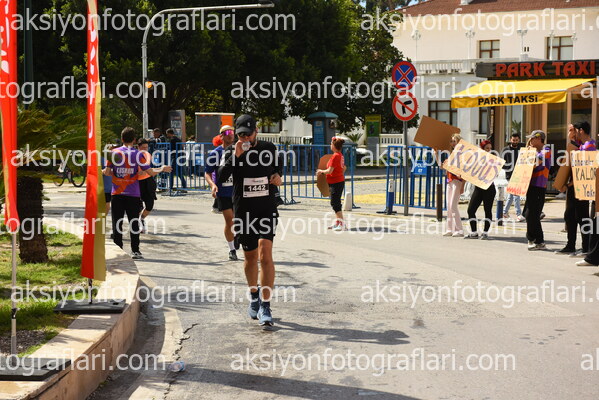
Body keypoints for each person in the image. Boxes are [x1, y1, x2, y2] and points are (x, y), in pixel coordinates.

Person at [218, 114, 282, 327]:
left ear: (256, 131)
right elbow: (221, 176)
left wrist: (278, 178)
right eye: (241, 135)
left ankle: (266, 304)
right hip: (244, 211)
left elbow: (277, 172)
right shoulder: (231, 151)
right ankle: (254, 295)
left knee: (265, 255)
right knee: (251, 257)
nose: (245, 138)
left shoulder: (269, 149)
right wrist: (235, 156)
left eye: (248, 134)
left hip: (266, 209)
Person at [104, 127, 171, 259]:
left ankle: (118, 250)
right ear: (134, 140)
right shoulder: (138, 154)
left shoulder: (113, 153)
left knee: (117, 222)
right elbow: (150, 172)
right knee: (134, 222)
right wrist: (162, 168)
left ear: (122, 139)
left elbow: (107, 172)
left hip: (117, 193)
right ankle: (135, 251)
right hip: (133, 194)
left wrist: (115, 173)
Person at [558, 122, 594, 256]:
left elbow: (584, 173)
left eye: (574, 130)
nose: (572, 133)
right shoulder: (582, 145)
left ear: (581, 131)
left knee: (582, 217)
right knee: (570, 216)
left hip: (581, 187)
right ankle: (571, 245)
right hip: (574, 186)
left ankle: (586, 247)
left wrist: (568, 185)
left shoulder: (589, 147)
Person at [205, 125, 239, 261]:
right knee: (229, 220)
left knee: (239, 220)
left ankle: (238, 236)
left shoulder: (239, 150)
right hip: (224, 191)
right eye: (227, 132)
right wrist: (212, 185)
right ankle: (232, 249)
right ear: (221, 136)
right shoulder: (215, 153)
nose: (231, 134)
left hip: (238, 191)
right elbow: (207, 173)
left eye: (232, 132)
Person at [523, 130, 551, 251]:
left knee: (531, 214)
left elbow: (534, 163)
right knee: (532, 214)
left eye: (532, 138)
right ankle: (539, 241)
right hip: (531, 185)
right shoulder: (534, 151)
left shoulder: (546, 151)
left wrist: (529, 152)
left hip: (539, 186)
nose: (530, 140)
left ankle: (532, 239)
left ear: (539, 139)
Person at [464, 140, 496, 240]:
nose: (489, 150)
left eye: (490, 148)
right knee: (471, 210)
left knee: (487, 210)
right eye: (487, 148)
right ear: (482, 148)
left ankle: (485, 232)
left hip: (489, 188)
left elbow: (495, 173)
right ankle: (474, 232)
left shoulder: (493, 159)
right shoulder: (476, 159)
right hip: (478, 188)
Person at [316, 137, 347, 231]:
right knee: (335, 202)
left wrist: (321, 171)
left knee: (335, 203)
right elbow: (341, 168)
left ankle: (342, 224)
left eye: (331, 144)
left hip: (336, 182)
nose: (330, 145)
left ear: (334, 146)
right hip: (337, 181)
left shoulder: (335, 156)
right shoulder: (339, 155)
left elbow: (330, 171)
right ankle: (338, 222)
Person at [442, 133, 465, 237]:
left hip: (457, 181)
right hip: (450, 181)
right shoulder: (451, 154)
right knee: (449, 206)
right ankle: (449, 229)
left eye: (454, 141)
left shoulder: (462, 155)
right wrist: (436, 154)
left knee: (453, 206)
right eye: (451, 141)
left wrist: (463, 185)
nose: (452, 143)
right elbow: (442, 166)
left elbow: (465, 172)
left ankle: (459, 230)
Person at [502, 133, 525, 222]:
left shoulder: (521, 150)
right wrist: (509, 168)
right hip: (510, 175)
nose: (515, 142)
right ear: (510, 140)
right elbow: (502, 163)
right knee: (516, 195)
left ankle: (504, 212)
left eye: (516, 140)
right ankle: (518, 214)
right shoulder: (506, 150)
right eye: (513, 140)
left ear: (519, 140)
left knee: (511, 195)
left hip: (519, 174)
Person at [137, 139, 158, 234]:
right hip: (137, 182)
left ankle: (141, 219)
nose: (145, 149)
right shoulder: (135, 155)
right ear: (138, 147)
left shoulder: (148, 155)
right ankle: (138, 223)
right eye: (143, 147)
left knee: (150, 205)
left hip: (148, 181)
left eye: (146, 147)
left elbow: (149, 168)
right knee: (138, 206)